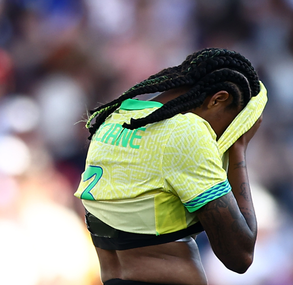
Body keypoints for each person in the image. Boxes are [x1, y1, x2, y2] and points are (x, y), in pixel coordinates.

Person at [74, 48, 268, 285]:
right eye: (232, 124)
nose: (222, 138)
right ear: (218, 99)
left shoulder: (113, 120)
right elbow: (240, 256)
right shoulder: (186, 132)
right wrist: (238, 146)